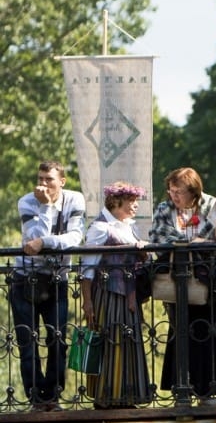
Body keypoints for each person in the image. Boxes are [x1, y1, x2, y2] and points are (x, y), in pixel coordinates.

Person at [148, 167, 216, 405]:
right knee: (181, 333)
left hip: (209, 282)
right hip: (177, 281)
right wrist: (193, 243)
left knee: (210, 334)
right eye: (171, 190)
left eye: (179, 191)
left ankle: (210, 391)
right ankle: (182, 391)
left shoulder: (211, 205)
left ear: (193, 191)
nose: (173, 195)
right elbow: (157, 240)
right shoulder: (165, 209)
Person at [10, 161, 86, 409]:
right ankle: (36, 399)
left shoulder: (75, 200)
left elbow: (74, 238)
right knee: (28, 343)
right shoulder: (27, 201)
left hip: (57, 281)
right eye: (40, 178)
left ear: (62, 181)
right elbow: (32, 240)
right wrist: (46, 207)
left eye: (49, 179)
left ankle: (52, 397)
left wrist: (44, 242)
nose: (42, 184)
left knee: (58, 340)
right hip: (25, 279)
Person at [80, 182, 153, 409]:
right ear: (115, 202)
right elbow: (87, 268)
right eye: (131, 202)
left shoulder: (129, 227)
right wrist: (88, 302)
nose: (135, 206)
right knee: (111, 343)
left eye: (136, 201)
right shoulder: (101, 228)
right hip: (108, 294)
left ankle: (127, 397)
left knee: (128, 342)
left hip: (128, 296)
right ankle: (106, 398)